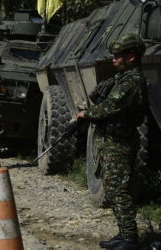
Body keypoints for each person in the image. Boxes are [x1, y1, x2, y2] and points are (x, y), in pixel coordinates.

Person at [76, 34, 147, 250]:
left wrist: (86, 115)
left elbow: (111, 106)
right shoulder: (122, 78)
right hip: (112, 141)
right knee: (113, 188)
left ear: (132, 57)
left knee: (120, 190)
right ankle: (124, 233)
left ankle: (130, 239)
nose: (114, 59)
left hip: (120, 143)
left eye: (118, 56)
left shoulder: (132, 81)